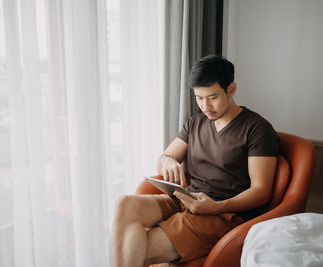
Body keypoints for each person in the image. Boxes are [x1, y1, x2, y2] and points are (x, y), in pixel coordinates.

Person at [110, 55, 279, 267]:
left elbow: (261, 191)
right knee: (125, 204)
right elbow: (165, 157)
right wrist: (169, 161)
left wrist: (215, 207)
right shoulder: (196, 122)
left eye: (212, 97)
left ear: (231, 89)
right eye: (199, 98)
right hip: (187, 199)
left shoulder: (257, 129)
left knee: (134, 246)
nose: (205, 106)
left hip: (221, 215)